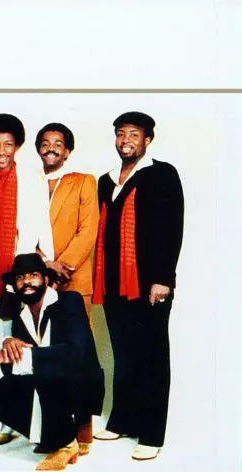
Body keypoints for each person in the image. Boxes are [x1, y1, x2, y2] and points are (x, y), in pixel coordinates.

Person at [92, 111, 184, 461]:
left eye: (134, 134)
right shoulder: (106, 181)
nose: (126, 140)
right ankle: (123, 420)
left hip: (148, 284)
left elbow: (172, 226)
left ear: (148, 140)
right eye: (121, 133)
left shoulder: (162, 174)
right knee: (124, 354)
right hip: (113, 282)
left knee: (152, 357)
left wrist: (163, 278)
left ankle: (152, 433)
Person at [0, 254, 104, 471]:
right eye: (20, 278)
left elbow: (74, 353)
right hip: (49, 387)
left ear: (46, 279)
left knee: (46, 371)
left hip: (80, 384)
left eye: (33, 275)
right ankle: (52, 436)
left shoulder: (70, 301)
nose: (26, 282)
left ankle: (65, 444)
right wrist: (7, 354)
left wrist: (28, 355)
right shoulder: (20, 316)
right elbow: (19, 371)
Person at [0, 113, 53, 446]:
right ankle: (5, 420)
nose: (1, 151)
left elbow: (41, 222)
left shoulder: (32, 179)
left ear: (18, 146)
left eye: (8, 144)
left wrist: (46, 263)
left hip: (21, 271)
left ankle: (34, 419)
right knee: (0, 342)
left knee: (24, 343)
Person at [35, 123, 100, 454]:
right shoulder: (29, 182)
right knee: (44, 353)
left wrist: (62, 265)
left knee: (79, 355)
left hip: (73, 279)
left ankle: (84, 426)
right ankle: (49, 428)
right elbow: (22, 229)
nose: (51, 148)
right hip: (37, 281)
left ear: (68, 150)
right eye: (45, 143)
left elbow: (88, 230)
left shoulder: (84, 181)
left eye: (58, 143)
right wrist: (43, 265)